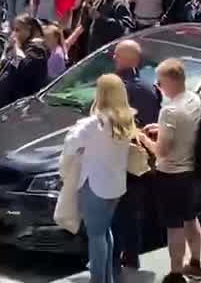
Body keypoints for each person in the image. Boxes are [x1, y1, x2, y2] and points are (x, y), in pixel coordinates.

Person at [137, 59, 201, 283]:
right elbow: (186, 127)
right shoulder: (195, 99)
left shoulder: (169, 110)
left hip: (170, 174)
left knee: (174, 225)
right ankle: (195, 263)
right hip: (189, 170)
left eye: (160, 81)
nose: (158, 86)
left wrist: (143, 138)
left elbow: (162, 152)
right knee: (190, 217)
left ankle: (176, 273)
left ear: (170, 81)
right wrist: (161, 129)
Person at [64, 73, 136, 283]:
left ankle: (98, 280)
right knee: (104, 231)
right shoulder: (126, 119)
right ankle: (106, 278)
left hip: (94, 185)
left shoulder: (93, 123)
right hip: (115, 185)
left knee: (96, 236)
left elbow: (70, 143)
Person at [111, 39, 159, 271]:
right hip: (141, 159)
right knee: (132, 210)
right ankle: (131, 255)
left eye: (117, 55)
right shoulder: (150, 89)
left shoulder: (117, 89)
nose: (113, 58)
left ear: (128, 59)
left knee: (116, 209)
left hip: (118, 157)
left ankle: (113, 256)